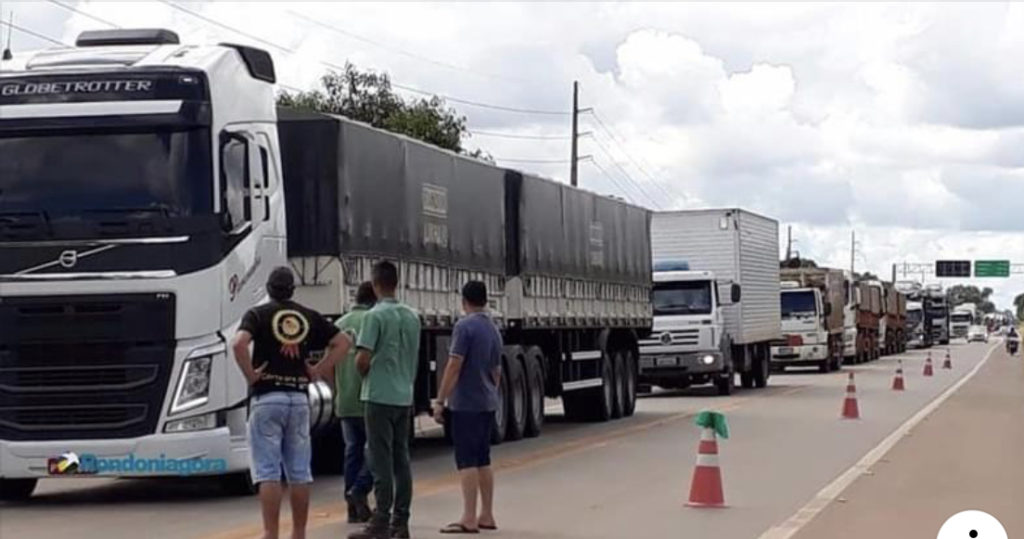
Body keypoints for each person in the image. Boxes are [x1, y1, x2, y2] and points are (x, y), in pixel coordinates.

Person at [233, 267, 352, 539]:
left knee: (268, 472)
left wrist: (251, 375)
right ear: (292, 290)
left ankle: (270, 533)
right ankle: (299, 533)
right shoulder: (307, 316)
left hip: (267, 398)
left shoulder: (257, 314)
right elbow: (343, 342)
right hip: (299, 399)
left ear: (269, 288)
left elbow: (239, 344)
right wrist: (318, 370)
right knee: (299, 471)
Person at [349, 261, 422, 539]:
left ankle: (380, 519)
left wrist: (361, 369)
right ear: (396, 282)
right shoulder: (412, 316)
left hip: (378, 395)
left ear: (375, 283)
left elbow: (363, 359)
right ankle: (401, 522)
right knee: (401, 459)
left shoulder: (374, 316)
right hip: (404, 394)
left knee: (380, 459)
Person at [433, 281, 502, 534]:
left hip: (466, 404)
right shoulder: (493, 329)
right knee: (483, 459)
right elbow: (496, 371)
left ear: (464, 301)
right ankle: (487, 513)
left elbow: (454, 364)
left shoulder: (464, 327)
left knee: (466, 460)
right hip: (487, 401)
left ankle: (469, 517)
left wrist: (440, 400)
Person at [335, 282, 377, 523]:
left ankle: (351, 509)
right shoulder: (373, 321)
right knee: (376, 450)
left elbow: (331, 364)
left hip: (345, 399)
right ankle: (359, 489)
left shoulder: (340, 325)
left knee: (352, 451)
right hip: (369, 398)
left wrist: (337, 388)